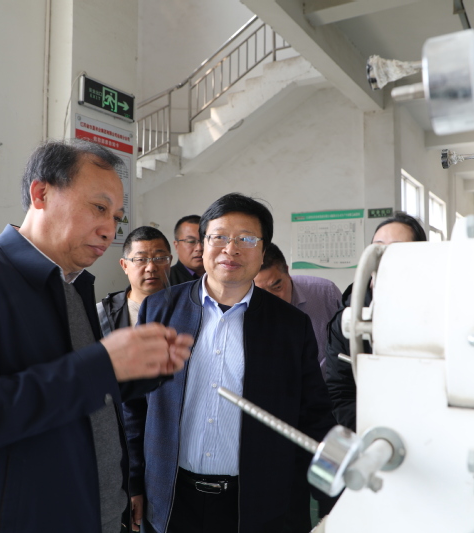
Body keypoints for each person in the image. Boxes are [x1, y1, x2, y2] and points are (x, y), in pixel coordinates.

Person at [0, 139, 193, 533]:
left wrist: (138, 369)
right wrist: (102, 365)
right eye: (99, 208)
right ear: (41, 193)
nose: (109, 230)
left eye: (117, 217)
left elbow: (69, 393)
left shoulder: (71, 285)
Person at [123, 193, 335, 533]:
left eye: (246, 239)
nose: (231, 249)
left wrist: (330, 502)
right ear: (202, 245)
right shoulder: (160, 309)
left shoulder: (290, 326)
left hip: (256, 504)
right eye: (219, 237)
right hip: (171, 498)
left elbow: (314, 416)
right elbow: (134, 406)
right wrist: (133, 481)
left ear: (263, 251)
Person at [325, 211, 427, 430]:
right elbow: (339, 392)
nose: (383, 258)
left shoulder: (439, 312)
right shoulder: (349, 318)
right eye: (377, 248)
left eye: (396, 250)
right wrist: (371, 433)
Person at [254, 243, 342, 376]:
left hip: (328, 384)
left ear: (287, 272)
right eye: (261, 292)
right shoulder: (244, 306)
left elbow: (348, 345)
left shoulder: (326, 293)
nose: (271, 300)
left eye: (277, 287)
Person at [97, 226, 172, 334]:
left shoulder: (189, 306)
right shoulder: (102, 313)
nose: (151, 267)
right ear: (124, 265)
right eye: (141, 259)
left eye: (160, 258)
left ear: (169, 262)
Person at [168, 214, 205, 286]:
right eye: (191, 241)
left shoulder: (221, 277)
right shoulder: (166, 280)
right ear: (176, 245)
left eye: (203, 241)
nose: (199, 248)